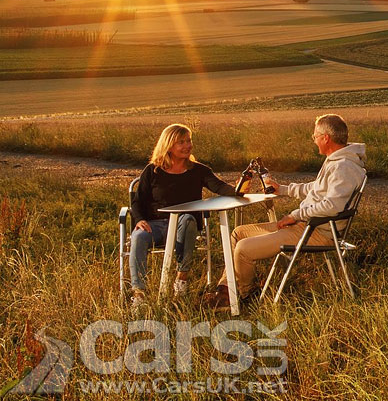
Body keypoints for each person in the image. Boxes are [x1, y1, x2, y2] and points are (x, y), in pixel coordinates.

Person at [205, 114, 366, 309]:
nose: (314, 140)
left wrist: (294, 216)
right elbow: (316, 188)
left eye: (315, 136)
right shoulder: (336, 161)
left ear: (326, 138)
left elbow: (332, 206)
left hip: (317, 232)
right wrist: (282, 189)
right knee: (238, 233)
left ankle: (243, 295)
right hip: (306, 226)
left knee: (244, 249)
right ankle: (225, 291)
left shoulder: (344, 167)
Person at [129, 124, 237, 307]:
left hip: (185, 225)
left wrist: (238, 190)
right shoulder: (152, 171)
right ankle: (139, 294)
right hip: (155, 225)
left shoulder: (199, 170)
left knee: (187, 219)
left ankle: (181, 280)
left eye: (189, 141)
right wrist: (139, 220)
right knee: (138, 236)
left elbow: (219, 187)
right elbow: (137, 201)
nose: (187, 145)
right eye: (181, 142)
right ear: (169, 145)